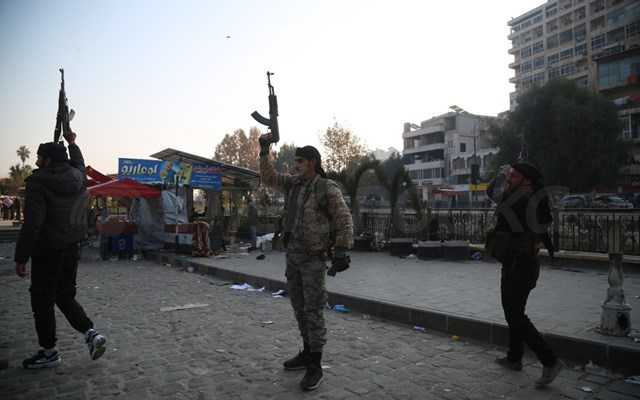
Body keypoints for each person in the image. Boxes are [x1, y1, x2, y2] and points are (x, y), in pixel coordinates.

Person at [259, 135, 353, 391]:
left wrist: (342, 250)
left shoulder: (325, 187)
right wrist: (264, 150)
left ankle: (315, 365)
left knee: (313, 311)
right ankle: (307, 352)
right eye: (296, 161)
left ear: (312, 162)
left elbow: (344, 218)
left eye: (300, 161)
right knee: (299, 309)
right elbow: (268, 177)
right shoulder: (293, 184)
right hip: (293, 257)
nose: (296, 164)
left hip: (313, 259)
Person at [14, 129, 107, 369]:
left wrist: (21, 257)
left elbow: (33, 223)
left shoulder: (37, 183)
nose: (36, 161)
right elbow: (79, 163)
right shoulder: (78, 176)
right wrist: (73, 143)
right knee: (64, 295)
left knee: (42, 300)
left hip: (47, 250)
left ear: (47, 160)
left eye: (39, 157)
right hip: (72, 248)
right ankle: (91, 333)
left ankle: (49, 352)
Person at [487, 162, 563, 387]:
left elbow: (493, 193)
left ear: (525, 180)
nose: (508, 178)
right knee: (514, 311)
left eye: (513, 175)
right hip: (519, 263)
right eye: (509, 175)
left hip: (519, 265)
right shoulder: (531, 199)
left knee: (515, 315)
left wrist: (499, 177)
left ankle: (550, 361)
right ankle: (514, 357)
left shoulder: (522, 200)